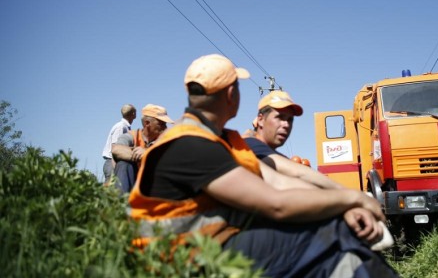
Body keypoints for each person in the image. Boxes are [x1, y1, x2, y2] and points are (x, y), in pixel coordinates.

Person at [128, 54, 398, 277]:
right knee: (329, 234)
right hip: (180, 262)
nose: (286, 125)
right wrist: (352, 199)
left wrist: (346, 203)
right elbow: (276, 203)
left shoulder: (222, 140)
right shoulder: (190, 143)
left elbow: (278, 181)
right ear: (232, 94)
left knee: (333, 230)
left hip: (211, 246)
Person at [245, 90, 345, 190]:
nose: (286, 125)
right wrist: (346, 193)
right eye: (279, 117)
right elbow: (299, 174)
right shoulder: (250, 145)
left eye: (290, 119)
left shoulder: (271, 155)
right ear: (260, 120)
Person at [111, 104, 174, 193]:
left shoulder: (165, 141)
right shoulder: (131, 136)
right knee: (123, 164)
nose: (165, 127)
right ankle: (120, 204)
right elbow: (116, 150)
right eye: (161, 124)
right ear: (147, 123)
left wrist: (148, 153)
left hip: (156, 185)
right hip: (134, 182)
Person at [101, 104, 136, 184]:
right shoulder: (121, 127)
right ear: (133, 114)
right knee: (110, 191)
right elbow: (115, 148)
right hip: (112, 162)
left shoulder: (125, 127)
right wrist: (116, 167)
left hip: (116, 162)